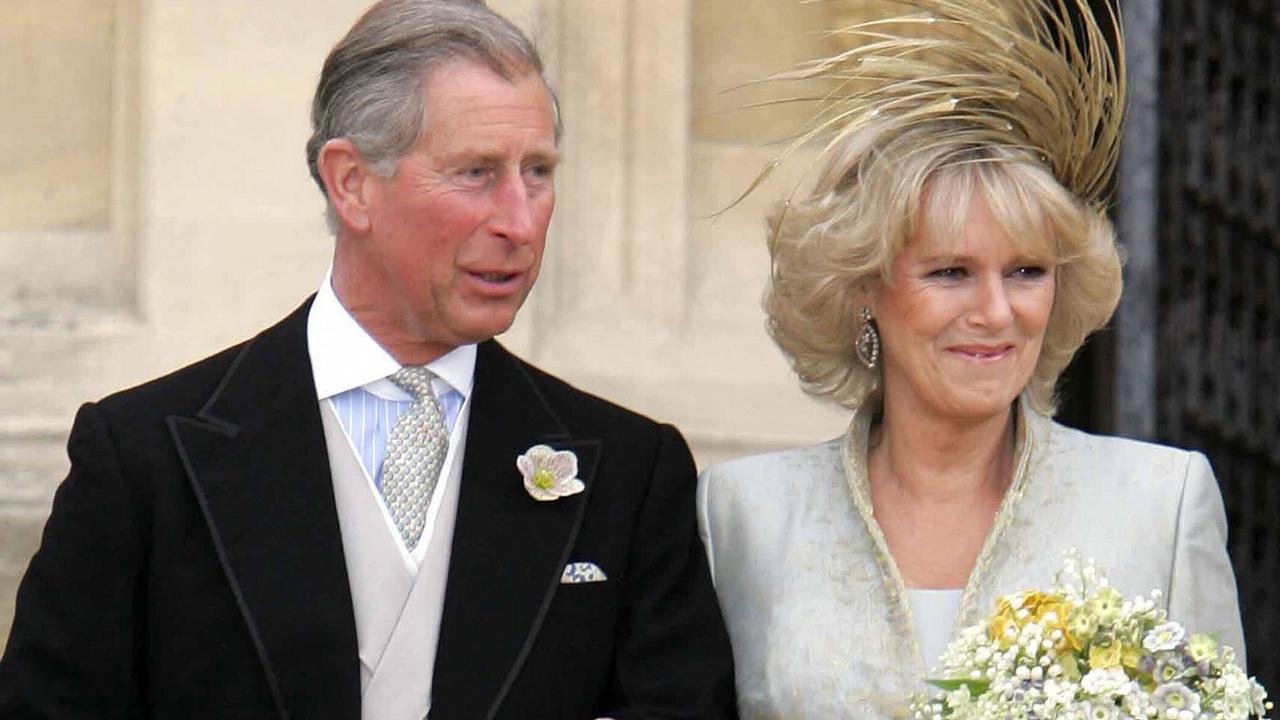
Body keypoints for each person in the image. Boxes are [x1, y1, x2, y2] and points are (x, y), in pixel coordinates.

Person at [0, 1, 738, 718]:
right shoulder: (143, 457)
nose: (520, 220)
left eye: (538, 172)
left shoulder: (630, 474)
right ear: (351, 182)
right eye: (477, 172)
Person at [696, 1, 1245, 717]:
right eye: (950, 272)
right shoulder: (743, 515)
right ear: (865, 288)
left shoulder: (1160, 504)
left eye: (1026, 272)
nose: (995, 311)